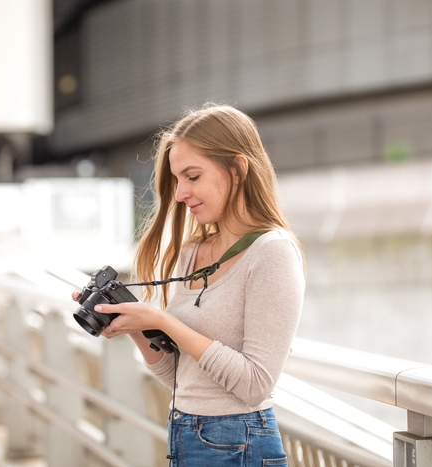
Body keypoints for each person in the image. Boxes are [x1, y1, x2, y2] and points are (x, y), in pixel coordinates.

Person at [73, 103, 305, 466]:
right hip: (185, 430)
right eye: (177, 179)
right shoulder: (193, 252)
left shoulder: (272, 252)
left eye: (192, 176)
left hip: (241, 441)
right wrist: (133, 325)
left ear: (239, 169)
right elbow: (178, 376)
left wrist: (166, 322)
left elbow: (256, 383)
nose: (180, 193)